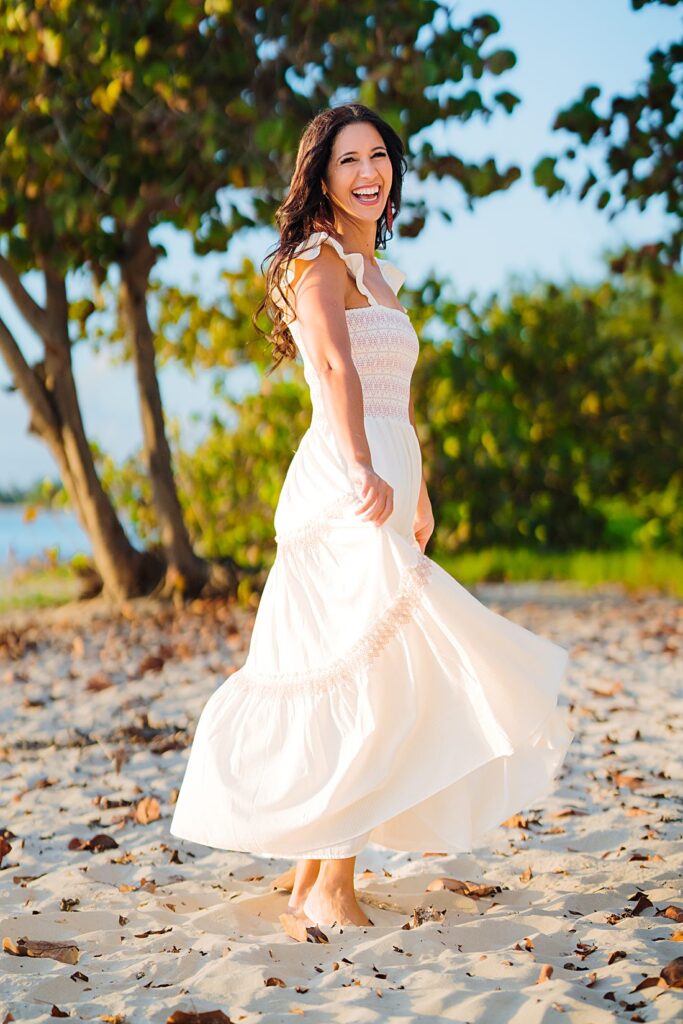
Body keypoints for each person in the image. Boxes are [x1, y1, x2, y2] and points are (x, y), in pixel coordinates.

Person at [169, 103, 572, 935]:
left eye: (379, 156)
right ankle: (330, 888)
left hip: (389, 474)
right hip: (341, 479)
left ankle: (311, 879)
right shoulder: (314, 258)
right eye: (349, 159)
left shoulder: (380, 270)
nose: (368, 172)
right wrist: (358, 462)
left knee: (369, 671)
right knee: (365, 679)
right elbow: (331, 364)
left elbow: (398, 392)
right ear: (320, 175)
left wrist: (415, 486)